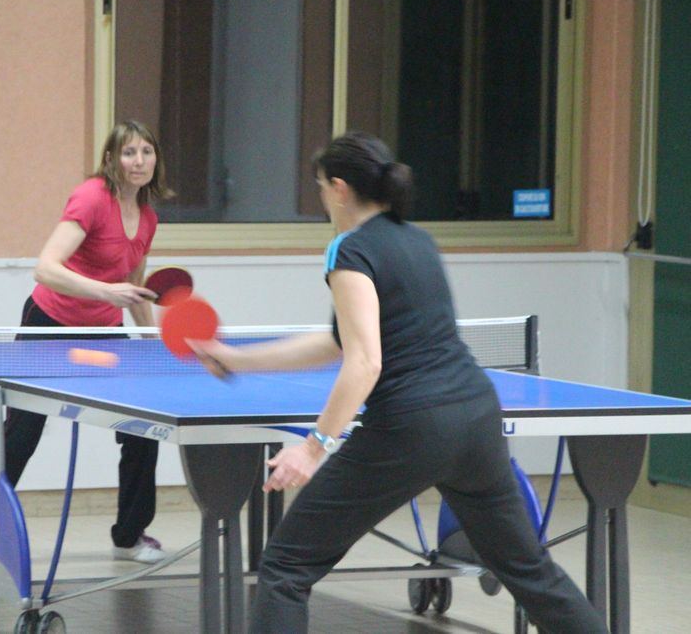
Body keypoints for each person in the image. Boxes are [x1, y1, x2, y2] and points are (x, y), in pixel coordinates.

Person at [190, 131, 609, 633]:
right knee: (528, 569)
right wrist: (237, 359)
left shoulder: (348, 251)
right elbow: (338, 343)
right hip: (475, 417)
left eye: (322, 186)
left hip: (413, 426)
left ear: (340, 188)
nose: (322, 197)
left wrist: (314, 447)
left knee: (285, 568)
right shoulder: (417, 239)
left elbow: (365, 362)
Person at [5, 120, 173, 563]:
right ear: (112, 159)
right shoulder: (92, 198)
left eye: (146, 152)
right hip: (50, 321)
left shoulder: (149, 218)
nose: (139, 161)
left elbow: (133, 282)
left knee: (141, 425)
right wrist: (106, 292)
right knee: (23, 430)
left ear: (156, 160)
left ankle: (130, 533)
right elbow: (46, 267)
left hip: (103, 331)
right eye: (129, 152)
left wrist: (151, 338)